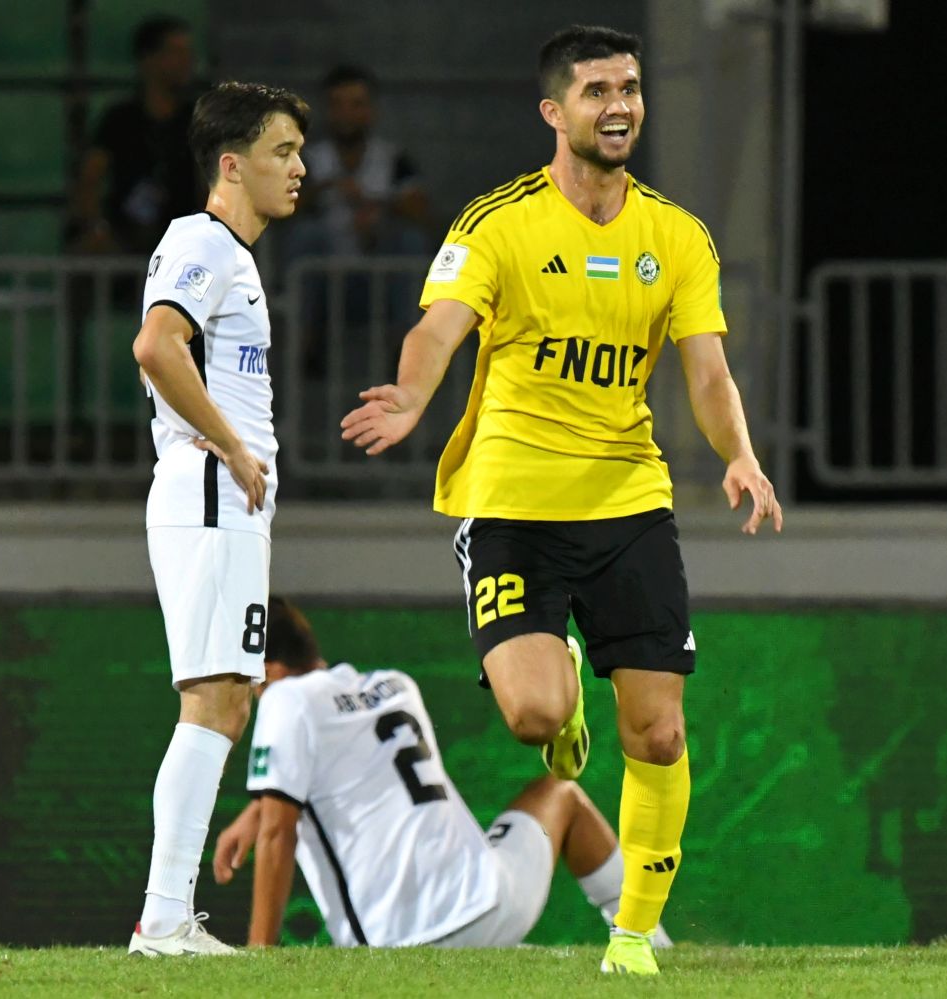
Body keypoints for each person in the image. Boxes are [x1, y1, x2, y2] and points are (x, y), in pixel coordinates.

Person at [339, 25, 782, 976]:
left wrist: (739, 454)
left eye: (629, 88)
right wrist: (415, 395)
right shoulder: (499, 222)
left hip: (628, 501)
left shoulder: (676, 235)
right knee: (538, 718)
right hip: (511, 505)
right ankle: (563, 685)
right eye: (596, 92)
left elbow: (707, 372)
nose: (618, 105)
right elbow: (439, 328)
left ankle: (632, 936)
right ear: (555, 111)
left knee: (660, 729)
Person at [211, 598, 670, 950]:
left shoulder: (283, 699)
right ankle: (646, 941)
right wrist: (256, 811)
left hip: (398, 940)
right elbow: (354, 768)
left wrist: (261, 957)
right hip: (492, 903)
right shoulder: (394, 687)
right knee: (561, 793)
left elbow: (279, 833)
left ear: (267, 670)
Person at [126, 81, 308, 957]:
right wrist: (235, 449)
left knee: (226, 697)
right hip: (209, 489)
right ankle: (163, 919)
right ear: (231, 164)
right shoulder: (204, 241)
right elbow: (157, 344)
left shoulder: (228, 251)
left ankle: (168, 916)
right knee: (214, 698)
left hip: (216, 495)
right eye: (283, 152)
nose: (300, 168)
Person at [286, 65, 431, 378]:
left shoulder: (392, 159)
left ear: (371, 110)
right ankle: (307, 344)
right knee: (306, 235)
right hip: (326, 282)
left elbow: (421, 211)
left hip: (376, 280)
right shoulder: (309, 160)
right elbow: (282, 212)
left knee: (410, 241)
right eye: (338, 104)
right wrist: (323, 190)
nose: (347, 114)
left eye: (357, 104)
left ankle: (404, 349)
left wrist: (377, 205)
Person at [72, 16, 204, 257]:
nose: (187, 61)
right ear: (148, 59)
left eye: (188, 53)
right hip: (123, 238)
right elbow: (90, 179)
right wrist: (96, 228)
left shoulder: (198, 120)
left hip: (182, 241)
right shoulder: (119, 118)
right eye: (176, 52)